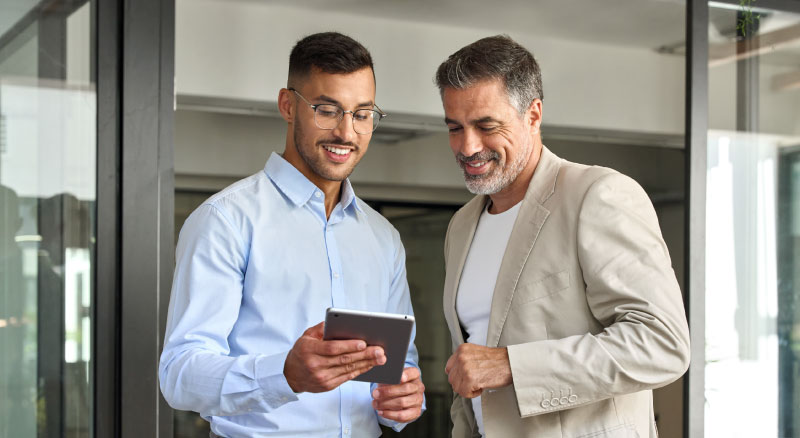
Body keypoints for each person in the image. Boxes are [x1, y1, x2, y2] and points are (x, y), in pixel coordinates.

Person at [159, 32, 425, 437]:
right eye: (326, 109)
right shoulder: (225, 220)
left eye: (362, 113)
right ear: (288, 105)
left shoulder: (383, 238)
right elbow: (180, 374)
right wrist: (283, 374)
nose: (347, 133)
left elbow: (400, 367)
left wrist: (404, 401)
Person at [435, 35, 690, 438]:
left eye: (486, 126)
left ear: (533, 115)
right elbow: (469, 371)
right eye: (455, 127)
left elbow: (661, 344)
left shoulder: (597, 194)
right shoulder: (462, 225)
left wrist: (512, 366)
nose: (467, 146)